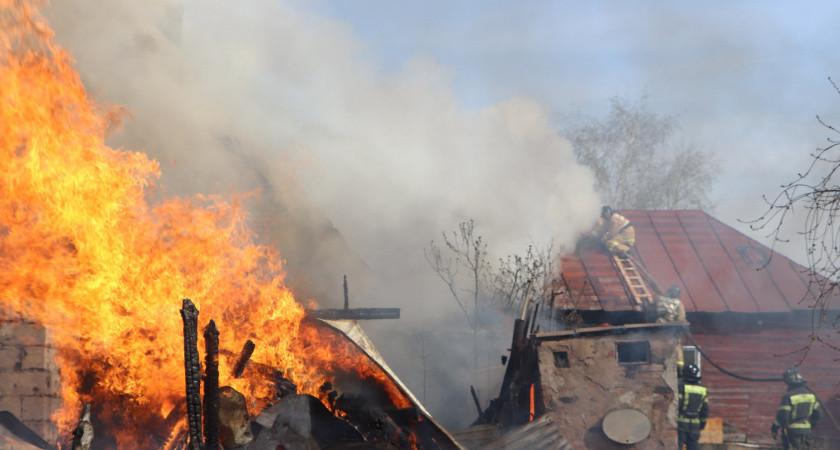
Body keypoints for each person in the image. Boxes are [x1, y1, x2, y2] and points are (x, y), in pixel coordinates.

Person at [771, 367, 821, 449]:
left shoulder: (788, 396)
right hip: (807, 431)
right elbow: (818, 414)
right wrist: (809, 425)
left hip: (792, 432)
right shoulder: (811, 395)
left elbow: (783, 416)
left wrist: (774, 428)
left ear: (787, 381)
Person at [655, 284, 687, 373]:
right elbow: (681, 319)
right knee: (677, 348)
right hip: (673, 330)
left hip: (660, 327)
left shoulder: (659, 299)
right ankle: (679, 367)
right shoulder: (679, 304)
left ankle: (661, 365)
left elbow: (655, 299)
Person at [678, 364, 708, 450]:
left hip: (681, 424)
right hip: (695, 425)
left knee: (678, 446)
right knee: (693, 447)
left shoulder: (681, 386)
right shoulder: (702, 389)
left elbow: (678, 404)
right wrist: (702, 424)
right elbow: (705, 410)